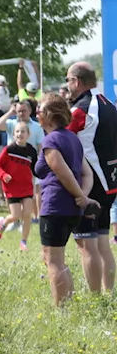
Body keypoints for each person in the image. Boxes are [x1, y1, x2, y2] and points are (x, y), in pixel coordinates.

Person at [35, 94, 96, 305]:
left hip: (55, 206)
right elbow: (87, 174)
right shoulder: (73, 139)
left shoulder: (51, 140)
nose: (37, 114)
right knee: (58, 260)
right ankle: (68, 305)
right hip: (72, 209)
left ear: (50, 115)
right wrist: (82, 197)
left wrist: (81, 196)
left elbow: (63, 172)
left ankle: (62, 310)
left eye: (39, 110)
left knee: (53, 261)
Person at [65, 62, 117, 294]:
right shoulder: (108, 103)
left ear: (76, 81)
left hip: (91, 184)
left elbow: (60, 136)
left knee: (87, 244)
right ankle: (109, 293)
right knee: (103, 242)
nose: (67, 85)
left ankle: (95, 299)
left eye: (68, 80)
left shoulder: (81, 110)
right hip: (110, 182)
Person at [0, 122, 38, 251]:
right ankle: (3, 224)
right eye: (17, 131)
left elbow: (36, 169)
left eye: (23, 131)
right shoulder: (9, 150)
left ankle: (23, 242)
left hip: (26, 187)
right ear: (13, 134)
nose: (20, 134)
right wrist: (3, 175)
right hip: (11, 187)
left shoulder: (31, 151)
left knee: (27, 214)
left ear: (28, 134)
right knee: (16, 216)